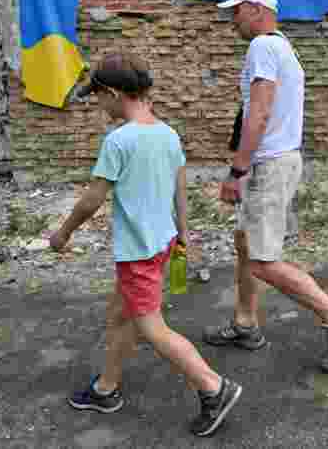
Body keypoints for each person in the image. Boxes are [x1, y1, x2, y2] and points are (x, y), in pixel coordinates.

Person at [51, 51, 241, 438]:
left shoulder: (118, 141)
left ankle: (213, 387)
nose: (98, 106)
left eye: (98, 97)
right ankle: (106, 388)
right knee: (120, 315)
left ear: (114, 93)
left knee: (152, 328)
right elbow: (179, 185)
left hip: (138, 252)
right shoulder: (167, 133)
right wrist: (184, 232)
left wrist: (63, 232)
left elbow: (92, 199)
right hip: (161, 243)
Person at [203, 0, 328, 373]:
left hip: (269, 165)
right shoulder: (283, 47)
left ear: (257, 9)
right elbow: (257, 113)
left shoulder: (262, 47)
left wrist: (237, 171)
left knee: (261, 260)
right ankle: (245, 323)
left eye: (237, 11)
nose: (233, 19)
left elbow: (258, 114)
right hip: (276, 161)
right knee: (246, 244)